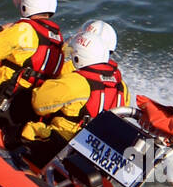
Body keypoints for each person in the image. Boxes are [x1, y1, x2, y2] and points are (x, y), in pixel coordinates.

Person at [20, 20, 129, 153]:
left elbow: (39, 103)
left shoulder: (77, 77)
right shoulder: (121, 86)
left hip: (62, 142)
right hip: (92, 149)